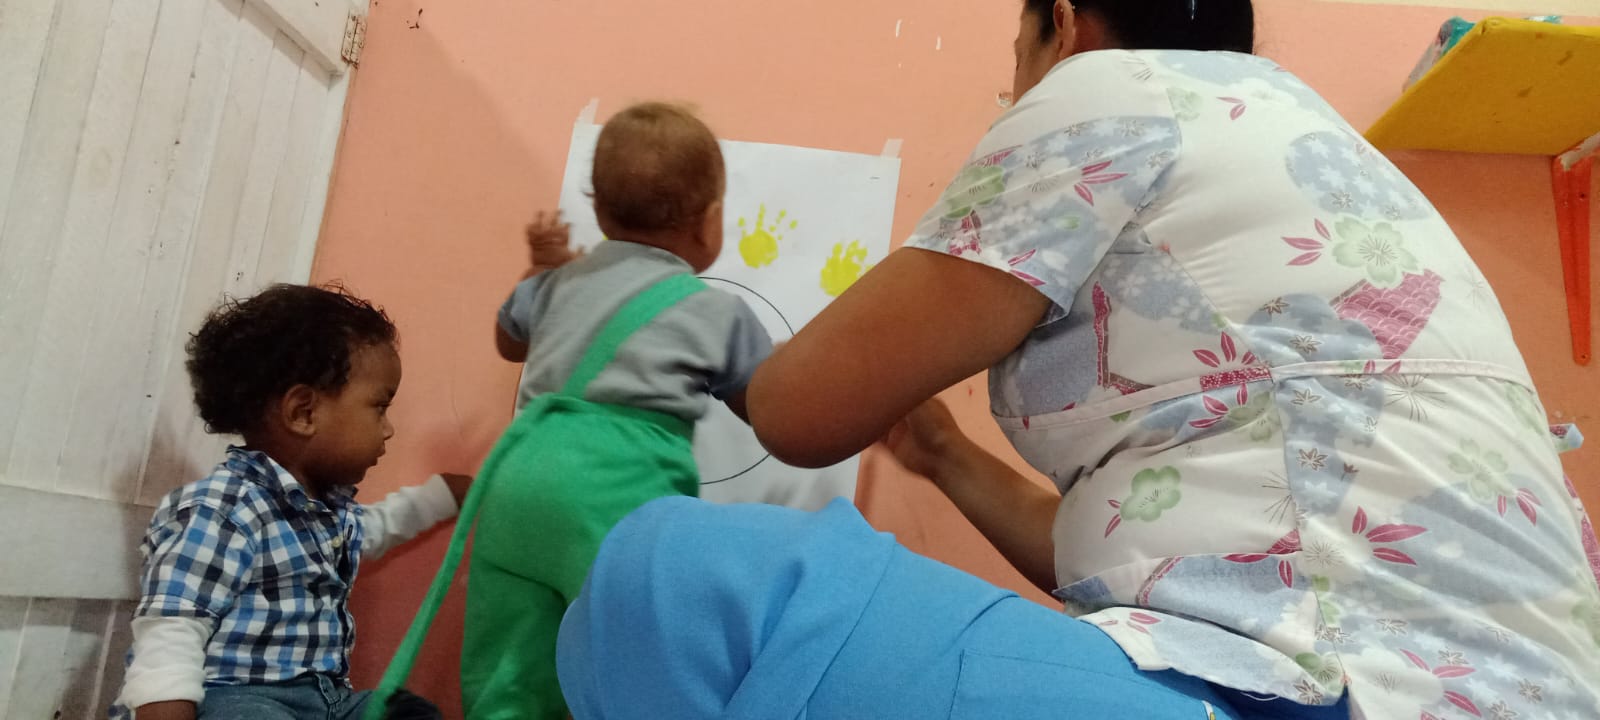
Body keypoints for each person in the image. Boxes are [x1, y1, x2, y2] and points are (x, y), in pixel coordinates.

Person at [562, 1, 1600, 718]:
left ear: (1062, 27)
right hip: (1500, 684)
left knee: (667, 577)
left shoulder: (1108, 87)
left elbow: (794, 412)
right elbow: (1145, 565)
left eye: (1012, 66)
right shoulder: (1319, 150)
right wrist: (945, 456)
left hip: (1334, 688)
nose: (1010, 98)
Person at [369, 102, 774, 720]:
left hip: (519, 480)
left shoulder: (561, 282)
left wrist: (540, 268)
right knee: (630, 655)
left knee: (511, 669)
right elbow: (767, 410)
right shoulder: (715, 312)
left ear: (601, 213)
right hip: (615, 489)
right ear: (710, 221)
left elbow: (510, 342)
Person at [111, 284, 471, 720]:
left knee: (405, 711)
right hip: (237, 697)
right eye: (379, 407)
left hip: (328, 701)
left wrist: (440, 497)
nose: (388, 429)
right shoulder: (221, 509)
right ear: (303, 413)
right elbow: (173, 628)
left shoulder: (327, 515)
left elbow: (375, 528)